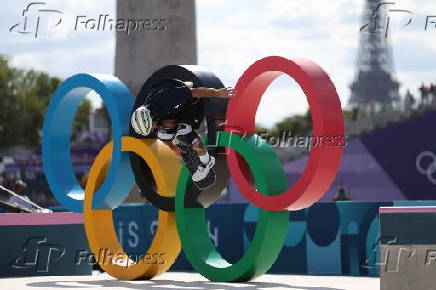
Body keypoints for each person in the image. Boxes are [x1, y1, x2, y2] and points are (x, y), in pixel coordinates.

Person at [131, 78, 235, 183]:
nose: (153, 128)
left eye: (151, 126)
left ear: (151, 116)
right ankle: (177, 136)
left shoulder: (165, 98)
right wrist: (173, 147)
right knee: (164, 134)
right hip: (172, 111)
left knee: (185, 134)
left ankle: (206, 161)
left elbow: (197, 91)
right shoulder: (149, 115)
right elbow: (160, 134)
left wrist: (218, 93)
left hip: (191, 102)